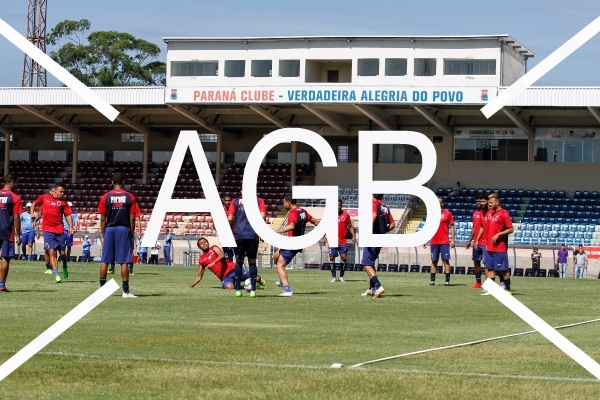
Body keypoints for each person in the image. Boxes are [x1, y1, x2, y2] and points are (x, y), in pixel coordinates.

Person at [98, 172, 139, 298]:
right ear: (124, 182)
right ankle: (125, 291)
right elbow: (132, 219)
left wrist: (104, 233)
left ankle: (102, 292)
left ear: (112, 182)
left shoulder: (105, 197)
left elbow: (103, 218)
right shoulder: (130, 197)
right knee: (124, 261)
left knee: (105, 260)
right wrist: (131, 235)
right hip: (123, 229)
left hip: (110, 229)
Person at [273, 195, 320, 297]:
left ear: (289, 202)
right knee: (275, 256)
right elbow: (315, 221)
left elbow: (291, 226)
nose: (283, 204)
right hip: (296, 242)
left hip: (292, 243)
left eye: (284, 202)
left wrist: (278, 231)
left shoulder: (293, 213)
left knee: (279, 266)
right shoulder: (302, 211)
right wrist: (323, 234)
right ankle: (282, 280)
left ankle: (287, 290)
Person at [227, 189, 266, 298]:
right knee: (252, 262)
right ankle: (253, 291)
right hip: (252, 236)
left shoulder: (235, 201)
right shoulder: (259, 201)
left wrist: (230, 230)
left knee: (239, 262)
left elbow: (230, 218)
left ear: (241, 191)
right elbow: (262, 216)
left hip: (239, 236)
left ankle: (238, 290)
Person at [33, 183, 73, 283]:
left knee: (62, 253)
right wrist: (34, 219)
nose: (63, 194)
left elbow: (68, 215)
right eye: (61, 191)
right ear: (54, 190)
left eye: (63, 192)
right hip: (47, 230)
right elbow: (40, 211)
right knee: (52, 252)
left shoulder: (63, 203)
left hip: (59, 230)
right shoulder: (45, 198)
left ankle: (64, 265)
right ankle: (56, 274)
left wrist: (71, 227)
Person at [190, 237, 266, 290]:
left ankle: (259, 282)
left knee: (257, 278)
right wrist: (191, 286)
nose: (204, 244)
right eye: (201, 243)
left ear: (208, 243)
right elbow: (199, 276)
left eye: (205, 242)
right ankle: (245, 286)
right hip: (225, 277)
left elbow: (222, 255)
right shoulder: (201, 260)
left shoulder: (213, 248)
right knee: (229, 287)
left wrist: (214, 262)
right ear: (199, 247)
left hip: (233, 269)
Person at [361, 194, 395, 298]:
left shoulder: (374, 203)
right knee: (370, 263)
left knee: (366, 263)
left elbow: (374, 215)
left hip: (372, 237)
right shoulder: (385, 207)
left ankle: (378, 286)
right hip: (380, 238)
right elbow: (393, 224)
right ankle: (372, 288)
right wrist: (383, 231)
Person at [481, 193, 514, 295]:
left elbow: (511, 229)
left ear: (498, 202)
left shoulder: (504, 214)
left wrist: (499, 234)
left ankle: (507, 289)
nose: (489, 204)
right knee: (489, 268)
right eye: (489, 202)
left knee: (503, 270)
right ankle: (491, 289)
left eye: (491, 202)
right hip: (489, 246)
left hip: (499, 247)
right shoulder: (491, 214)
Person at [424, 197, 455, 286]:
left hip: (444, 241)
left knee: (446, 260)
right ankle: (432, 280)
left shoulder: (448, 213)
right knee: (434, 260)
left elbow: (452, 227)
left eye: (439, 202)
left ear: (442, 204)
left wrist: (452, 240)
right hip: (434, 241)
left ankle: (447, 281)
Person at [323, 200, 356, 283]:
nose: (338, 207)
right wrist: (324, 236)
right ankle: (333, 276)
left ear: (341, 206)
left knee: (344, 257)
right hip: (332, 240)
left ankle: (341, 276)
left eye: (339, 205)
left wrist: (353, 236)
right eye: (336, 205)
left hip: (342, 241)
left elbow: (350, 226)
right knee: (331, 257)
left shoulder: (346, 215)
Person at [0, 174, 22, 292]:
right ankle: (1, 286)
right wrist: (18, 234)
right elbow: (16, 217)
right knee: (5, 258)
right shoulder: (15, 197)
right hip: (6, 231)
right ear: (12, 183)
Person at [465, 193, 488, 288]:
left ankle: (489, 284)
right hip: (476, 242)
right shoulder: (475, 213)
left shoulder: (487, 213)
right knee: (476, 262)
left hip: (485, 242)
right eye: (477, 202)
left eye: (481, 201)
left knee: (487, 264)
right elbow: (474, 228)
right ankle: (478, 282)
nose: (479, 203)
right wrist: (469, 241)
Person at [61, 201, 78, 277]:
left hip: (69, 231)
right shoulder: (63, 212)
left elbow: (76, 222)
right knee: (62, 246)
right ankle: (63, 257)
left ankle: (67, 257)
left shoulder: (74, 213)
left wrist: (75, 228)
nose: (70, 208)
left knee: (69, 245)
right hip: (63, 230)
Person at [221, 195, 235, 262]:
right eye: (226, 200)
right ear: (223, 201)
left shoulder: (236, 211)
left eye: (229, 200)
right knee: (228, 256)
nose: (227, 202)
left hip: (236, 236)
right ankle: (230, 271)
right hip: (226, 237)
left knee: (239, 256)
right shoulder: (221, 212)